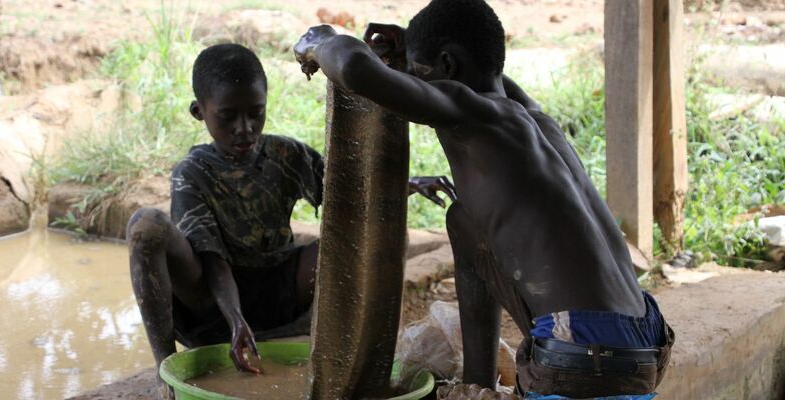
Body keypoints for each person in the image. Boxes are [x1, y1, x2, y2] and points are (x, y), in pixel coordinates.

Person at [294, 0, 674, 398]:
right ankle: (477, 385)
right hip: (643, 338)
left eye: (422, 76)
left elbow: (355, 69)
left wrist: (321, 39)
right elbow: (487, 74)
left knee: (467, 220)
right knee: (465, 221)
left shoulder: (477, 115)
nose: (415, 84)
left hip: (581, 352)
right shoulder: (534, 118)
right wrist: (413, 51)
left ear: (449, 66)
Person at [127, 43, 455, 398]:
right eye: (228, 116)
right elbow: (213, 260)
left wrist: (403, 184)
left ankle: (345, 345)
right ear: (199, 112)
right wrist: (236, 320)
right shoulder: (192, 173)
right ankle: (165, 374)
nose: (245, 128)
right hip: (213, 303)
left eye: (256, 113)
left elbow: (348, 197)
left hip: (278, 293)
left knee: (361, 237)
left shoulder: (285, 154)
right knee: (146, 225)